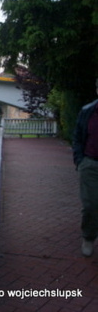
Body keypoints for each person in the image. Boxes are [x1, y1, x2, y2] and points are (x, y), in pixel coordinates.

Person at [73, 78, 98, 257]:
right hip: (90, 164)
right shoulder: (88, 111)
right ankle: (88, 237)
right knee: (90, 205)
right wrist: (80, 161)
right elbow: (78, 136)